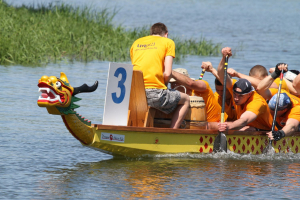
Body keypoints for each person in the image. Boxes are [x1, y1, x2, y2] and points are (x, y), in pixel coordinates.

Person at [130, 22, 190, 129]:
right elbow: (167, 73)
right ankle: (172, 132)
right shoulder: (168, 42)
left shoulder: (136, 42)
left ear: (151, 33)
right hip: (154, 94)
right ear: (166, 34)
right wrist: (165, 86)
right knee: (186, 99)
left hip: (134, 94)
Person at [217, 47, 275, 132]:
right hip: (247, 125)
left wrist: (228, 128)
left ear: (249, 94)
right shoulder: (236, 87)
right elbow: (222, 76)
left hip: (266, 131)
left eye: (240, 96)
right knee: (215, 124)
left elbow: (244, 120)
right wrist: (224, 58)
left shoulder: (257, 102)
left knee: (244, 128)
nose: (236, 98)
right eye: (235, 94)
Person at [256, 63, 300, 141]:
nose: (270, 112)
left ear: (284, 110)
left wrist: (281, 133)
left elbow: (292, 126)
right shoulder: (278, 93)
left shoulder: (296, 108)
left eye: (273, 111)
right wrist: (275, 73)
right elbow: (260, 88)